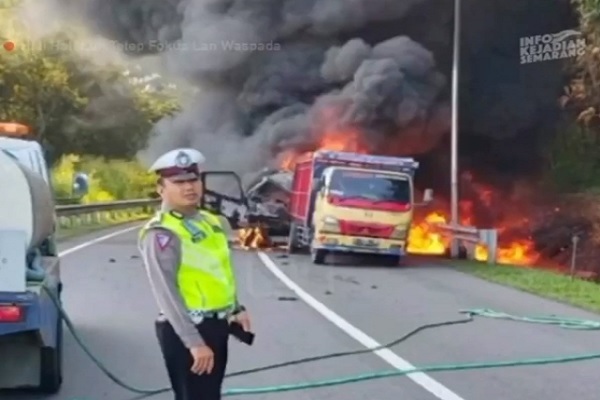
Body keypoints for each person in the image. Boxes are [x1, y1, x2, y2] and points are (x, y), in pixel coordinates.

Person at [138, 148, 251, 400]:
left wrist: (235, 307)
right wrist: (194, 343)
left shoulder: (211, 222)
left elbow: (219, 271)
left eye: (193, 180)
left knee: (210, 396)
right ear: (161, 188)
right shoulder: (162, 233)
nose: (189, 187)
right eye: (178, 182)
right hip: (185, 329)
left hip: (217, 325)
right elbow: (166, 294)